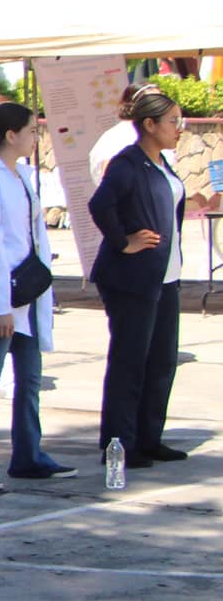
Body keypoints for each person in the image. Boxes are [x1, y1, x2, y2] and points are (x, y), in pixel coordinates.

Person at [0, 103, 72, 490]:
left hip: (29, 292)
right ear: (11, 134)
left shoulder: (21, 175)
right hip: (3, 297)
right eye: (32, 130)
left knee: (30, 380)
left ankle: (28, 455)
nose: (36, 137)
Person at [88, 84, 190, 470]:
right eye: (172, 122)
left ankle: (149, 438)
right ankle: (119, 443)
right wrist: (123, 240)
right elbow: (100, 204)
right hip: (131, 278)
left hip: (166, 276)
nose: (179, 128)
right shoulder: (127, 163)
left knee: (162, 360)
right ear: (149, 124)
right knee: (130, 360)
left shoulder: (162, 163)